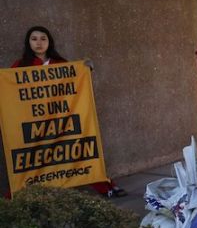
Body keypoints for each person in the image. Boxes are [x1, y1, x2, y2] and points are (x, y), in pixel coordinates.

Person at [10, 26, 126, 198]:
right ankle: (17, 195)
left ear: (49, 42)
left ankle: (105, 185)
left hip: (62, 119)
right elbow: (10, 90)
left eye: (43, 38)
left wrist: (86, 68)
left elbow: (76, 80)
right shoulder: (20, 66)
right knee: (32, 159)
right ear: (28, 42)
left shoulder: (60, 63)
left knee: (79, 150)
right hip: (37, 122)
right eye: (34, 39)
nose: (39, 43)